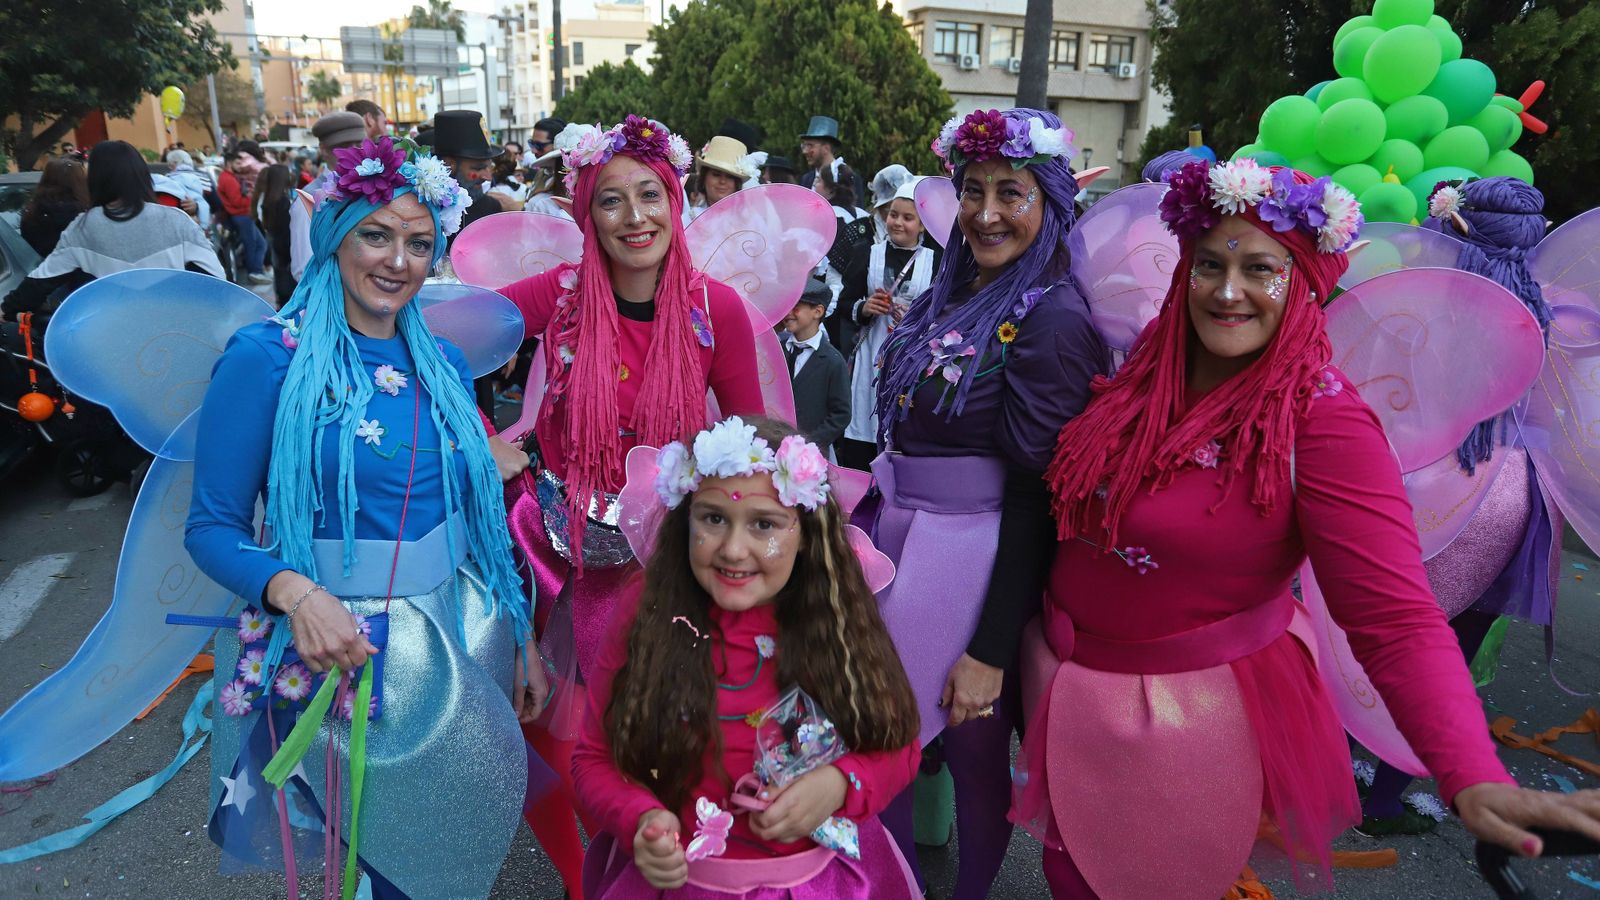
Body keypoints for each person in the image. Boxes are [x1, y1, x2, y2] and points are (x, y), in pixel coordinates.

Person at [1018, 160, 1600, 898]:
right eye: (1210, 265)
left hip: (1185, 727)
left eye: (1260, 268)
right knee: (1068, 875)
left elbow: (1396, 620)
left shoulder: (1324, 423)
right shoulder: (1142, 373)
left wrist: (1472, 775)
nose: (1229, 291)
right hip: (1066, 696)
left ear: (1304, 283)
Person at [185, 135, 547, 897]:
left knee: (445, 854)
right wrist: (298, 594)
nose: (397, 261)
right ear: (334, 235)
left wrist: (521, 639)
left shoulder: (444, 365)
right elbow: (211, 527)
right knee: (376, 868)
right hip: (336, 655)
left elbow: (478, 527)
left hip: (456, 642)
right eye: (376, 234)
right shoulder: (266, 358)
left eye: (420, 243)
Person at [491, 115, 767, 900]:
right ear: (586, 215)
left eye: (651, 195)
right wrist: (483, 440)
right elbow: (437, 345)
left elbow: (759, 445)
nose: (634, 216)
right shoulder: (560, 296)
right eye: (610, 201)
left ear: (676, 203)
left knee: (666, 741)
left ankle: (673, 875)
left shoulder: (719, 311)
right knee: (566, 742)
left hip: (677, 564)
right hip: (570, 557)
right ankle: (592, 882)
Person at [859, 108, 1108, 900]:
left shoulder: (1055, 319)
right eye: (974, 190)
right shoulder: (951, 288)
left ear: (1054, 205)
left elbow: (1039, 497)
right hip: (898, 536)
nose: (988, 210)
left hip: (975, 560)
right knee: (884, 740)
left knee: (970, 746)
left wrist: (992, 650)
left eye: (1014, 192)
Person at [574, 415, 923, 899]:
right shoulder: (648, 611)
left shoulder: (835, 616)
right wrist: (640, 819)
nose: (734, 549)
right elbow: (593, 757)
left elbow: (899, 747)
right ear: (686, 517)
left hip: (820, 884)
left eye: (764, 524)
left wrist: (840, 786)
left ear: (805, 535)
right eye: (714, 518)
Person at [1353, 176, 1567, 836]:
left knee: (1369, 633)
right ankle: (1388, 794)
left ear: (1452, 226)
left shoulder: (1420, 304)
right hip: (1514, 494)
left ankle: (1335, 769)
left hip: (1424, 485)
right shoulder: (1546, 310)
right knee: (1448, 650)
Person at [3, 141, 224, 321]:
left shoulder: (82, 228)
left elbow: (41, 282)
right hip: (176, 331)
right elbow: (215, 278)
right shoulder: (176, 220)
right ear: (141, 174)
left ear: (96, 180)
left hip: (111, 341)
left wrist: (7, 310)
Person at [836, 177, 939, 471]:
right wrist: (865, 308)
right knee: (863, 430)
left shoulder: (936, 261)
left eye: (908, 218)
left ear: (922, 225)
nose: (898, 223)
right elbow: (844, 304)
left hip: (912, 362)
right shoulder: (867, 252)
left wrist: (918, 320)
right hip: (870, 356)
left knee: (900, 435)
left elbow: (946, 313)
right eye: (893, 214)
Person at [290, 111, 367, 280]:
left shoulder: (371, 188)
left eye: (360, 144)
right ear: (324, 150)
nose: (356, 151)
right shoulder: (309, 198)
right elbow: (303, 270)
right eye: (346, 145)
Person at [782, 277, 850, 459]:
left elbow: (841, 414)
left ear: (817, 311)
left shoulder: (833, 361)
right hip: (775, 446)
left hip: (810, 456)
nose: (787, 313)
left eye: (795, 307)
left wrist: (810, 443)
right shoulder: (777, 348)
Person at [814, 161, 871, 345]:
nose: (815, 185)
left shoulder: (826, 217)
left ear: (830, 190)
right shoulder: (864, 216)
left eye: (819, 181)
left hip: (832, 298)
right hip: (860, 298)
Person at [432, 110, 505, 246]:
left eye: (489, 167)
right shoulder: (424, 208)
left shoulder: (491, 208)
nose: (487, 177)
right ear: (449, 165)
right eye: (477, 169)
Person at [19, 155, 89, 258]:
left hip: (41, 270)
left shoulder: (32, 212)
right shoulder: (84, 214)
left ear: (45, 179)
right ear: (80, 182)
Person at [219, 148, 271, 285]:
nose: (239, 166)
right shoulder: (228, 179)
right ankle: (254, 272)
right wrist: (251, 199)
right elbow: (236, 201)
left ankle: (256, 271)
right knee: (252, 244)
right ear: (229, 163)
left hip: (244, 215)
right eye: (237, 163)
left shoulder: (229, 177)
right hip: (241, 216)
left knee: (260, 243)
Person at [254, 163, 296, 305]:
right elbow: (286, 234)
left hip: (276, 248)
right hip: (285, 251)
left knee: (280, 281)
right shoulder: (282, 202)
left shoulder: (267, 200)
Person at [797, 115, 866, 201]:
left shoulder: (849, 178)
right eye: (804, 146)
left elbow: (856, 212)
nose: (805, 151)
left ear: (826, 148)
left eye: (810, 146)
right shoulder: (806, 179)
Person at [693, 135, 760, 216]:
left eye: (730, 177)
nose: (722, 181)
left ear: (737, 182)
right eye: (716, 175)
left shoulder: (751, 222)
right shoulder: (687, 220)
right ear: (704, 177)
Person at [164, 148, 214, 228]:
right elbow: (216, 203)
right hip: (203, 225)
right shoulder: (204, 178)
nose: (169, 167)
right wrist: (199, 207)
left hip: (178, 225)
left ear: (174, 163)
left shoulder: (168, 181)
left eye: (169, 164)